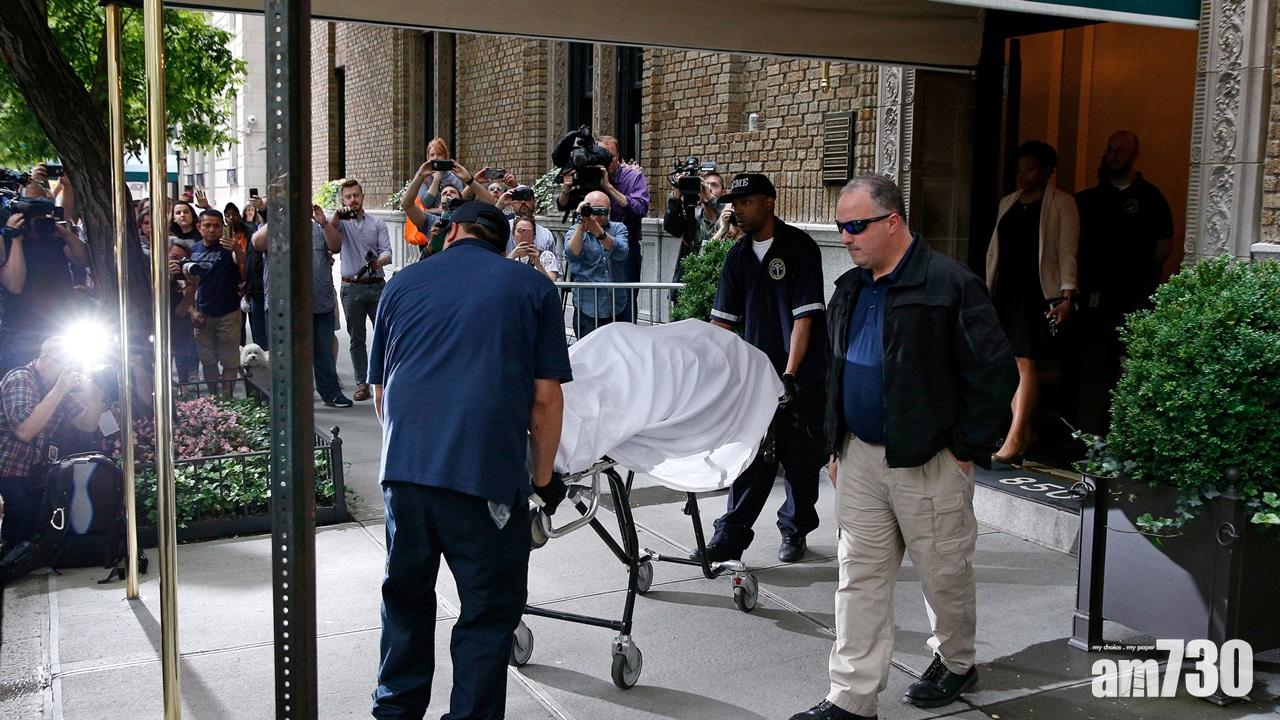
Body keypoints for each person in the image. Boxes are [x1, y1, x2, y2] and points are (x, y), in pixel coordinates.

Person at [789, 175, 1016, 720]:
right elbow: (835, 372)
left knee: (944, 574)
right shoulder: (849, 288)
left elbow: (995, 373)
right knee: (858, 578)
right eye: (841, 226)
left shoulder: (950, 285)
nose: (845, 237)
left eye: (855, 225)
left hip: (930, 460)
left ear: (892, 221)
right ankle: (851, 698)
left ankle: (957, 661)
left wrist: (963, 448)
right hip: (860, 457)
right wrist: (835, 444)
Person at [367, 201, 571, 720]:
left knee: (405, 601)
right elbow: (545, 399)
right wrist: (544, 479)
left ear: (452, 229)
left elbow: (382, 395)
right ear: (503, 242)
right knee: (485, 614)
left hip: (405, 475)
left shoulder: (401, 284)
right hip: (484, 479)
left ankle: (395, 712)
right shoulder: (532, 288)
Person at [699, 173, 827, 564]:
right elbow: (722, 323)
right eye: (734, 203)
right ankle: (729, 538)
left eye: (746, 202)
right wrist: (713, 373)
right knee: (751, 457)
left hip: (799, 378)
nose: (737, 209)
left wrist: (790, 375)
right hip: (756, 379)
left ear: (769, 202)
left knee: (801, 463)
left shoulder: (800, 248)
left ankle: (796, 528)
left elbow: (804, 317)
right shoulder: (738, 256)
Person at [1073, 130, 1175, 432]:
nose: (1113, 155)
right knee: (1093, 362)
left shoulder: (1151, 197)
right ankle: (1089, 430)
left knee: (1130, 360)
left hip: (1134, 295)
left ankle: (1127, 430)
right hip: (1094, 296)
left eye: (1120, 150)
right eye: (1110, 149)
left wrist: (1140, 275)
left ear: (1135, 154)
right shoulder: (1089, 200)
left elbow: (1165, 243)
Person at [984, 141, 1079, 465]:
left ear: (1047, 171)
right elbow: (995, 251)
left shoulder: (1062, 203)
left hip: (1037, 292)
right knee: (1009, 362)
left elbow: (1067, 250)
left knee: (1025, 361)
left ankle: (1015, 436)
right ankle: (1023, 430)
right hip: (1006, 291)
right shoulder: (1008, 202)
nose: (1023, 175)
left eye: (1031, 169)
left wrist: (1067, 295)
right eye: (1020, 169)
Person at [0, 336, 105, 547]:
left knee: (28, 536)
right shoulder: (21, 378)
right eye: (65, 364)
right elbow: (25, 430)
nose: (69, 370)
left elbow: (86, 425)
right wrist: (59, 389)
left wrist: (96, 398)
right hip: (6, 473)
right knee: (16, 538)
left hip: (31, 474)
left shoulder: (55, 387)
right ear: (45, 359)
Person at [251, 210, 352, 407]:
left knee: (324, 352)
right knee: (284, 354)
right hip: (283, 306)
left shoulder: (318, 227)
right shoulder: (273, 227)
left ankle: (331, 393)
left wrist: (325, 224)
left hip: (319, 302)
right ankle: (287, 397)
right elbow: (257, 243)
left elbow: (336, 246)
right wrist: (278, 216)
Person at [0, 198, 90, 376]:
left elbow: (84, 259)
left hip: (62, 325)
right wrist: (16, 238)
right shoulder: (6, 241)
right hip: (22, 331)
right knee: (23, 382)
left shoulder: (54, 238)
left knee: (70, 380)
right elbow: (14, 285)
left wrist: (63, 232)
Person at [323, 179, 392, 402]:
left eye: (356, 195)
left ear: (362, 196)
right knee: (356, 338)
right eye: (348, 196)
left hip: (376, 285)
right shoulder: (340, 223)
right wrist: (337, 215)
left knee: (385, 334)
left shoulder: (377, 223)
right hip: (351, 288)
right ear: (343, 200)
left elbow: (387, 251)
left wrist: (379, 262)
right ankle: (362, 383)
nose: (353, 200)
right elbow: (329, 233)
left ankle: (385, 379)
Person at [556, 135, 648, 300]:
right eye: (601, 155)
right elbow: (563, 205)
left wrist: (608, 186)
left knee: (625, 301)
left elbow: (640, 209)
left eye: (611, 156)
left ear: (618, 156)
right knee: (587, 303)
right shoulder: (585, 172)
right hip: (588, 248)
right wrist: (567, 188)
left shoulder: (632, 177)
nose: (607, 160)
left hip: (622, 248)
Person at [188, 209, 245, 396]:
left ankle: (227, 399)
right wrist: (191, 310)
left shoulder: (229, 248)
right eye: (207, 225)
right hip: (202, 313)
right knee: (208, 361)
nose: (212, 230)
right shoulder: (193, 250)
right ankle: (214, 399)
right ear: (199, 227)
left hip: (229, 312)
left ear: (222, 227)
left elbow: (241, 261)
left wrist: (236, 248)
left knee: (230, 362)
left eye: (216, 226)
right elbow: (185, 284)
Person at [563, 190, 629, 337]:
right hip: (587, 308)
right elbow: (571, 255)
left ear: (609, 210)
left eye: (602, 210)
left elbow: (622, 252)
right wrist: (581, 225)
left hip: (617, 305)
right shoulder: (575, 230)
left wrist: (599, 233)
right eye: (593, 210)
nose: (597, 215)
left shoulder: (618, 228)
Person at [664, 169, 726, 283]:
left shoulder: (726, 217)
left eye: (714, 185)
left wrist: (711, 199)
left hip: (719, 279)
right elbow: (670, 226)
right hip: (694, 281)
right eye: (704, 185)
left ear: (723, 192)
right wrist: (677, 194)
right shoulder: (692, 217)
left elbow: (732, 216)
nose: (709, 188)